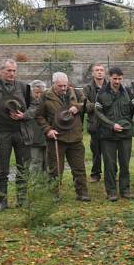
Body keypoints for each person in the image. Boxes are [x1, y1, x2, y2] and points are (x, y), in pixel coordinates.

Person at [0, 59, 36, 211]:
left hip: (22, 132)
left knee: (23, 167)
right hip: (1, 133)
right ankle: (2, 201)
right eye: (8, 71)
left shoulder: (24, 87)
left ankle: (22, 199)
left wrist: (24, 115)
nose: (12, 74)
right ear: (1, 71)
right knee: (2, 169)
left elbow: (35, 106)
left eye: (14, 71)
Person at [35, 71, 90, 201]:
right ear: (53, 84)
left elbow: (89, 106)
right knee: (55, 169)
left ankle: (82, 193)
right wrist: (48, 130)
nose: (63, 88)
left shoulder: (76, 93)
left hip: (75, 137)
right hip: (56, 138)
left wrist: (78, 107)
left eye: (65, 85)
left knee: (79, 168)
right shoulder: (45, 96)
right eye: (60, 86)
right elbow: (38, 116)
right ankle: (54, 194)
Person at [95, 67, 134, 200]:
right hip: (108, 134)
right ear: (110, 77)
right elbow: (98, 113)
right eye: (115, 78)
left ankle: (125, 190)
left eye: (120, 79)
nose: (117, 81)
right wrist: (111, 125)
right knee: (110, 164)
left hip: (125, 134)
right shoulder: (102, 93)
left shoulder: (127, 92)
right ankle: (111, 192)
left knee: (125, 163)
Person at [82, 63, 109, 183]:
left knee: (110, 152)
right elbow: (86, 106)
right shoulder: (87, 88)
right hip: (95, 125)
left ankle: (111, 173)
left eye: (101, 70)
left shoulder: (111, 86)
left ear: (105, 73)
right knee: (96, 152)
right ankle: (95, 174)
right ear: (93, 73)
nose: (99, 72)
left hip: (109, 124)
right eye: (97, 70)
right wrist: (99, 105)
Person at [28, 80, 48, 174]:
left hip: (47, 137)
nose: (39, 95)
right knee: (35, 162)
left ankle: (49, 184)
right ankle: (36, 185)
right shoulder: (26, 104)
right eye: (36, 93)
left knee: (48, 162)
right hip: (33, 139)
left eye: (41, 93)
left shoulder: (48, 103)